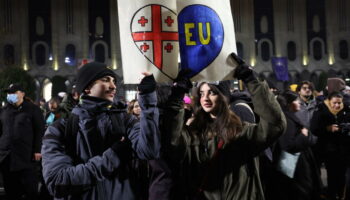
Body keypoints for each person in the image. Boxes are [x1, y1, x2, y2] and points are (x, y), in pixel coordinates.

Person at [164, 54, 287, 200]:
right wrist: (175, 98)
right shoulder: (193, 133)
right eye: (202, 93)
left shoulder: (242, 131)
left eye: (212, 92)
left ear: (224, 97)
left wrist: (251, 80)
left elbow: (275, 124)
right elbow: (171, 143)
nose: (205, 98)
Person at [41, 62, 161, 200]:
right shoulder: (59, 129)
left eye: (114, 81)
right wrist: (114, 156)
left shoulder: (125, 120)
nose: (113, 86)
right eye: (105, 80)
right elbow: (57, 182)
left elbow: (150, 151)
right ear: (87, 88)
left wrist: (148, 100)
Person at [269, 90, 321, 200]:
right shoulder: (287, 120)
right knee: (300, 191)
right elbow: (288, 145)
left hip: (297, 162)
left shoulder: (289, 116)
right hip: (294, 165)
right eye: (296, 101)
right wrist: (303, 135)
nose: (299, 103)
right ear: (289, 103)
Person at [0, 83, 45, 200]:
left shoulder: (33, 109)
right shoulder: (4, 111)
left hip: (26, 157)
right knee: (10, 190)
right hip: (7, 157)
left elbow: (39, 131)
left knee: (30, 190)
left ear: (22, 94)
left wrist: (37, 150)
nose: (10, 95)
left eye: (14, 92)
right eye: (9, 93)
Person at [311, 92, 350, 200]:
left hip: (344, 148)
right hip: (328, 149)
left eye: (339, 103)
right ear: (328, 101)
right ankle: (332, 195)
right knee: (332, 175)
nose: (337, 105)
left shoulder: (346, 109)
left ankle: (342, 195)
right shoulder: (320, 110)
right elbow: (314, 129)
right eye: (334, 103)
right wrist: (327, 129)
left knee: (342, 175)